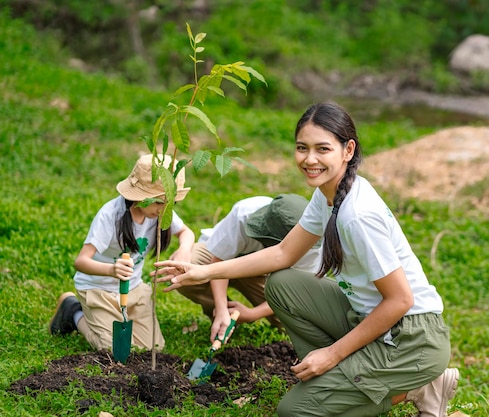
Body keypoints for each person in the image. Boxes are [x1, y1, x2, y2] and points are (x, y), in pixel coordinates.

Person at [153, 102, 459, 417]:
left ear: (347, 150)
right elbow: (282, 253)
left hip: (412, 340)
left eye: (322, 149)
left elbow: (400, 300)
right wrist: (204, 271)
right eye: (302, 148)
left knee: (294, 412)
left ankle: (418, 388)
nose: (309, 159)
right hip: (370, 318)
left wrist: (333, 354)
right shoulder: (327, 196)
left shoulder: (357, 216)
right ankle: (339, 381)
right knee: (284, 283)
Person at [49, 153, 195, 352]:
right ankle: (73, 312)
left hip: (133, 288)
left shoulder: (160, 211)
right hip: (99, 289)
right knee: (114, 349)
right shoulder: (111, 216)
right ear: (139, 197)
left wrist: (184, 250)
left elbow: (186, 232)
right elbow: (81, 261)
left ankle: (116, 319)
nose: (164, 209)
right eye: (159, 202)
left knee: (153, 347)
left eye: (169, 203)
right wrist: (111, 270)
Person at [178, 193, 321, 341]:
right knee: (186, 269)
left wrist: (253, 313)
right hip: (221, 261)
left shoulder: (312, 245)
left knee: (294, 326)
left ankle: (235, 317)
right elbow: (219, 259)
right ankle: (223, 317)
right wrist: (221, 309)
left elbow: (295, 292)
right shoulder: (245, 213)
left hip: (270, 277)